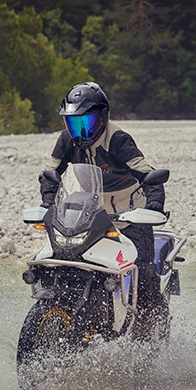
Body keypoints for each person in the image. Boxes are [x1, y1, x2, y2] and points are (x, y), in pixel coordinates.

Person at [37, 81, 169, 338]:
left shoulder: (118, 139)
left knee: (142, 273)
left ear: (104, 117)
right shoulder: (66, 140)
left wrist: (154, 207)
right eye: (74, 124)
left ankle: (152, 329)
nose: (81, 132)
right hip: (88, 211)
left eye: (87, 123)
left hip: (129, 214)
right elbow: (50, 174)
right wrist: (48, 203)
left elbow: (146, 173)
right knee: (65, 259)